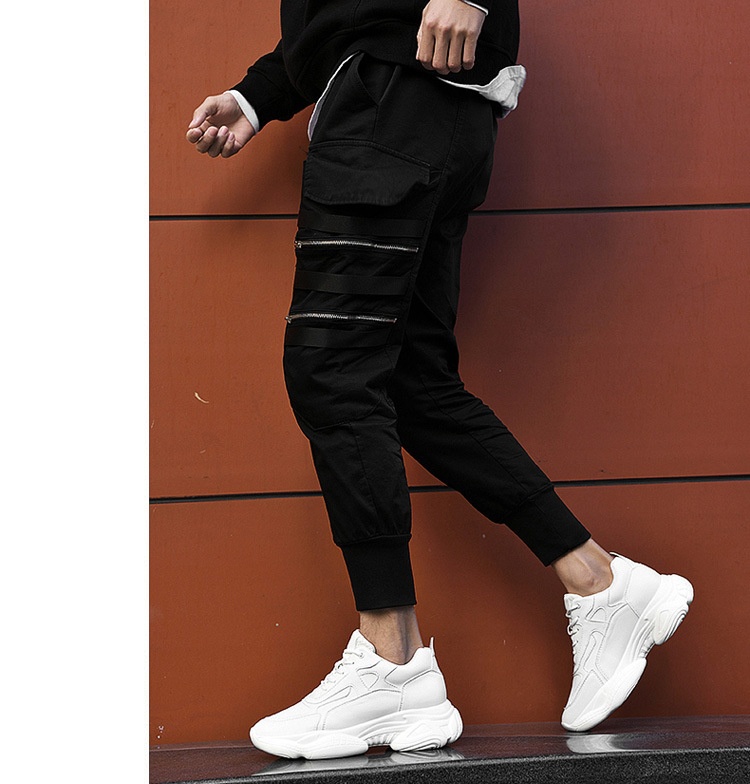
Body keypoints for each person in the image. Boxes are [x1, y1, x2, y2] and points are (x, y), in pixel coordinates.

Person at [186, 0, 693, 760]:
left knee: (333, 371)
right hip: (423, 105)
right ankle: (600, 583)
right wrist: (258, 95)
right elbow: (340, 13)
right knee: (409, 383)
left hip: (391, 104)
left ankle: (391, 660)